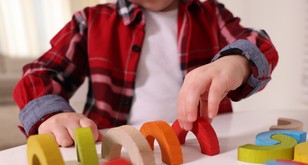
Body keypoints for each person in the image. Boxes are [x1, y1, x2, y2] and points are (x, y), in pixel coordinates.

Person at [13, 0, 278, 147]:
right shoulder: (90, 21)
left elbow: (258, 43)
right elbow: (39, 73)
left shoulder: (211, 13)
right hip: (114, 149)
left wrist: (238, 61)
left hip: (201, 151)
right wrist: (53, 114)